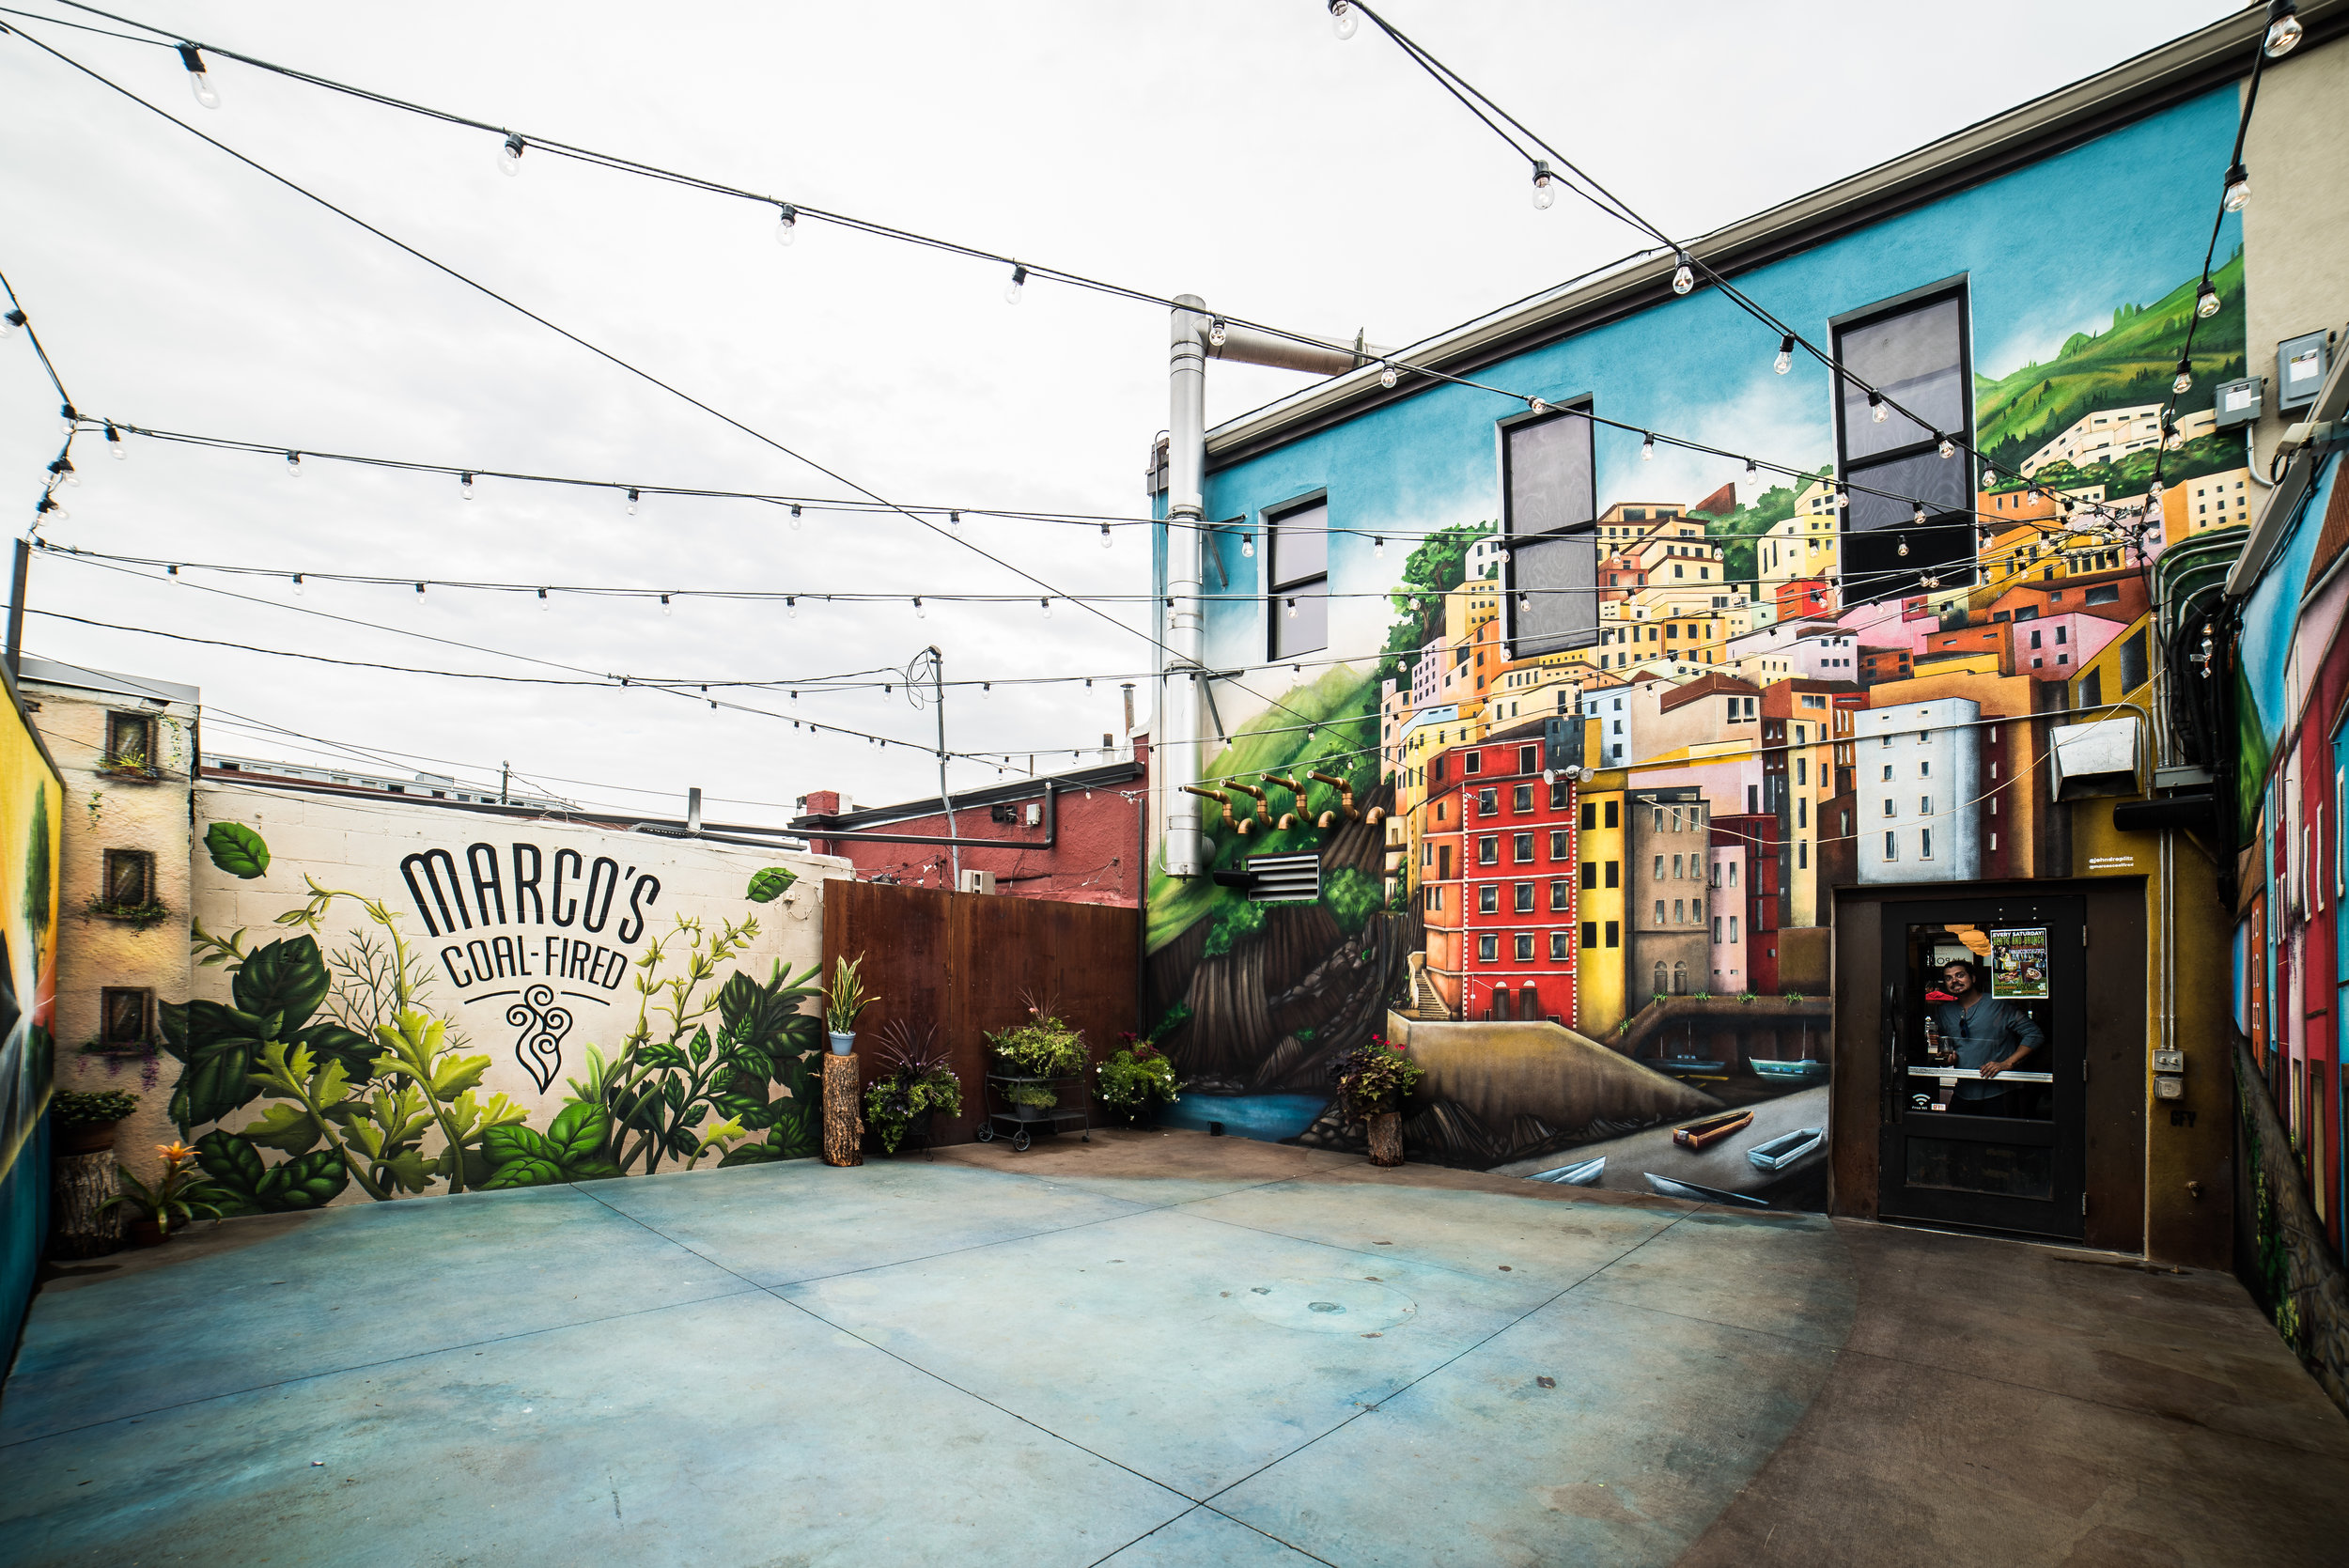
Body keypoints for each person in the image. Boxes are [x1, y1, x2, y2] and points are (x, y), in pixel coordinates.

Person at [1929, 957, 2044, 1114]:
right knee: (1955, 1134)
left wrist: (2008, 1063)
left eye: (1960, 975)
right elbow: (1945, 1047)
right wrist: (1948, 1057)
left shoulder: (1998, 1004)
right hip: (1963, 1090)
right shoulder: (1944, 1011)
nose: (1954, 980)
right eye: (1948, 978)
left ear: (1973, 978)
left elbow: (2034, 1035)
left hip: (1999, 1092)